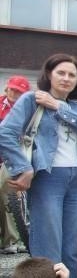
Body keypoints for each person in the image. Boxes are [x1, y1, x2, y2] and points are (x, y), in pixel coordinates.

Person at [0, 53, 77, 278]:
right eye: (61, 73)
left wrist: (58, 106)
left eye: (72, 75)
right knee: (48, 246)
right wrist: (23, 168)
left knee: (71, 249)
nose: (66, 78)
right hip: (47, 178)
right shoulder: (31, 100)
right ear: (48, 74)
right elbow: (5, 134)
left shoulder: (76, 107)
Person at [0, 75, 30, 255]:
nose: (14, 93)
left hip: (13, 158)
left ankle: (12, 239)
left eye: (19, 91)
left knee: (8, 193)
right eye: (12, 89)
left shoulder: (27, 109)